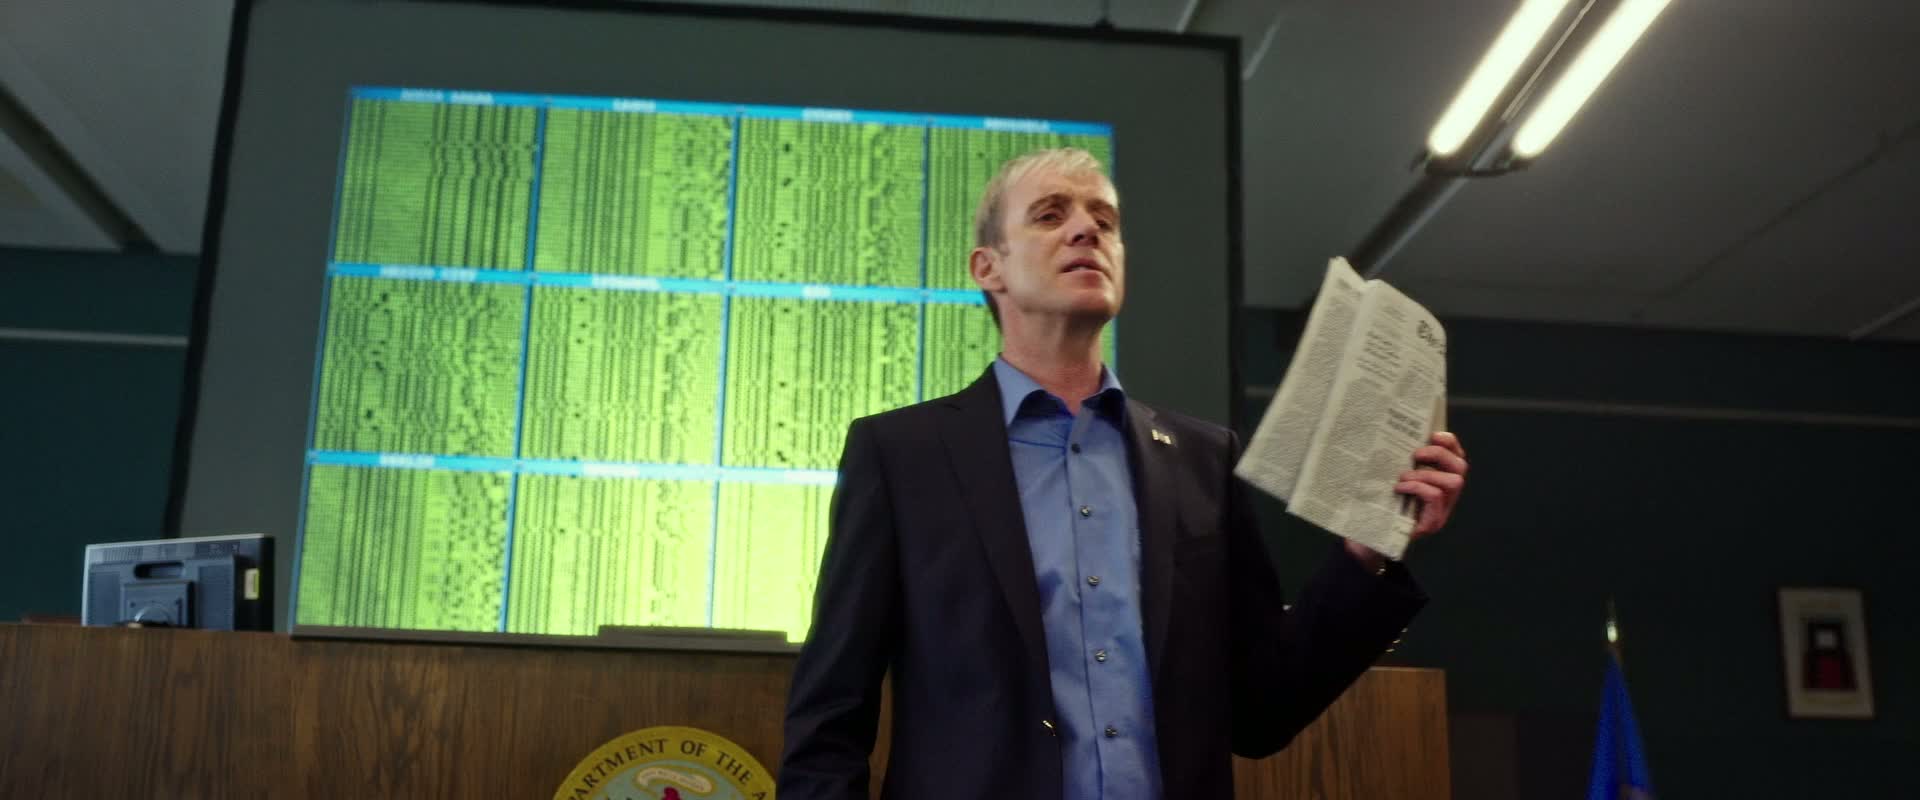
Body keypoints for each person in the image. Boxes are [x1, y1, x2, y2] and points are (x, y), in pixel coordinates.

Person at [777, 148, 1468, 799]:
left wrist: (1365, 557)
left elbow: (1262, 711)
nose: (1086, 230)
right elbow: (831, 716)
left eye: (1104, 221)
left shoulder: (1203, 460)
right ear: (988, 268)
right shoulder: (902, 454)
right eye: (1051, 215)